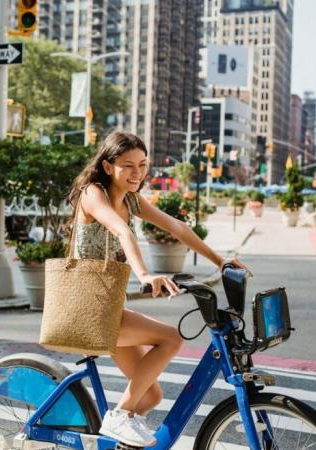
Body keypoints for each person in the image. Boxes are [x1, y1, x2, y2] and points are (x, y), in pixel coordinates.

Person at [67, 131, 248, 447]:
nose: (137, 173)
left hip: (111, 308)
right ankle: (119, 417)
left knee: (149, 396)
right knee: (171, 338)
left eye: (142, 165)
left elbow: (177, 227)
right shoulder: (93, 193)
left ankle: (117, 426)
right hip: (87, 309)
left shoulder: (132, 199)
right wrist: (146, 274)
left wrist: (220, 262)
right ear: (108, 167)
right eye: (128, 166)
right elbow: (122, 231)